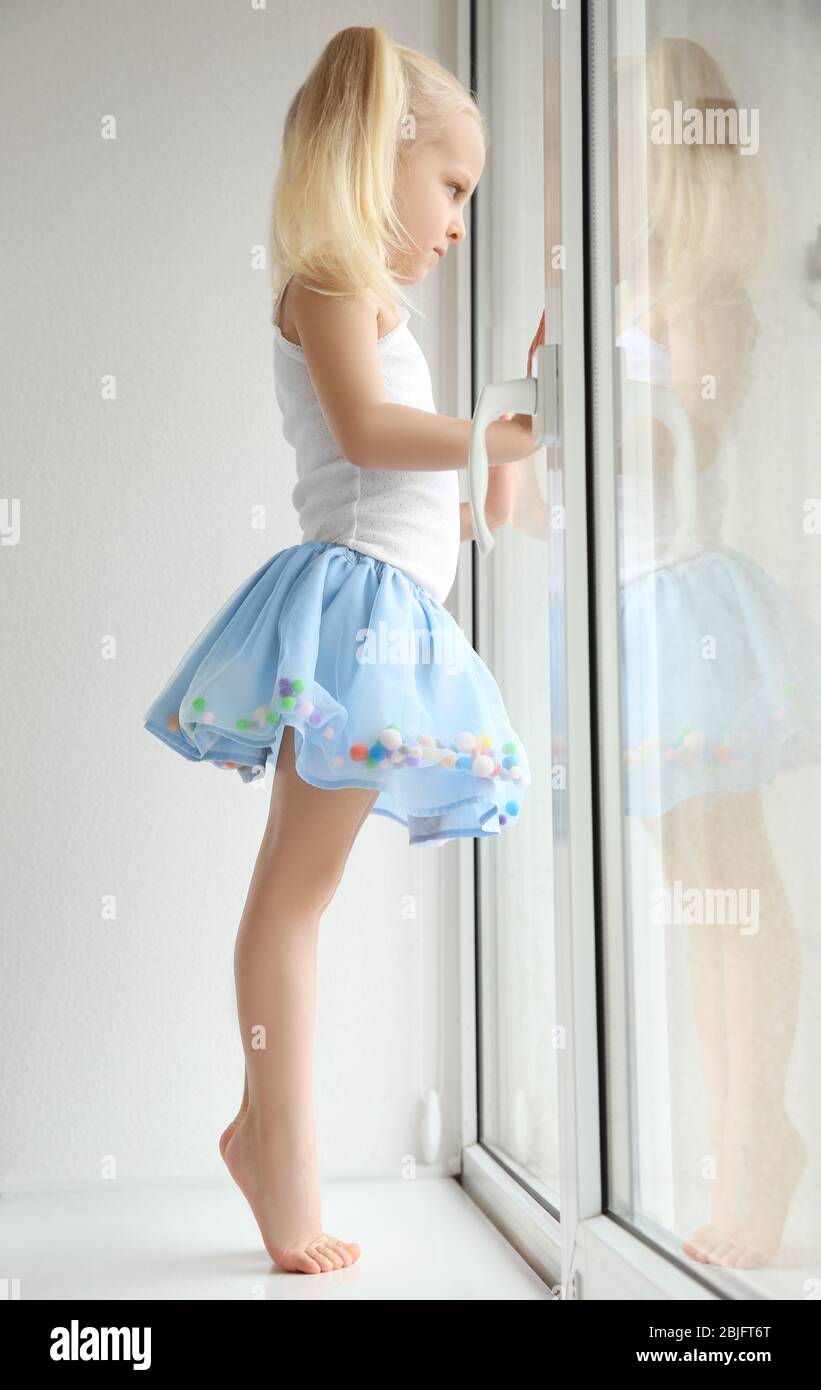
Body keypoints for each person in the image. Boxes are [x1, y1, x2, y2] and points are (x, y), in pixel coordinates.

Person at [142, 25, 538, 1275]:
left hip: (390, 620)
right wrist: (485, 431)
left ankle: (265, 1134)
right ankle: (277, 1160)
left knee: (299, 894)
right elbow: (367, 435)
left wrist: (509, 447)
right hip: (353, 616)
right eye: (452, 186)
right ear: (380, 156)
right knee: (293, 899)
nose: (458, 221)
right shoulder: (326, 281)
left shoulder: (376, 303)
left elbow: (472, 513)